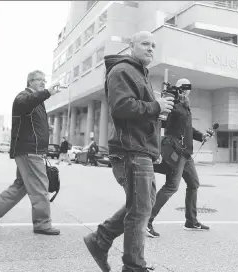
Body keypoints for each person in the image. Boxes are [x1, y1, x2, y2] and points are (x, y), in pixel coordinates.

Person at [82, 31, 174, 272]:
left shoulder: (140, 73)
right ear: (131, 46)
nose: (150, 48)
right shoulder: (123, 70)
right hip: (130, 150)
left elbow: (141, 112)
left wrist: (156, 115)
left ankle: (100, 240)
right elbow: (121, 107)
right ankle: (134, 266)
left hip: (141, 150)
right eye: (145, 43)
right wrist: (156, 106)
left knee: (143, 204)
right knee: (141, 209)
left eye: (153, 45)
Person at [0, 70, 61, 236]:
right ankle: (42, 224)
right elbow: (27, 103)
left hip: (30, 149)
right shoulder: (23, 97)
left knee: (21, 185)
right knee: (39, 186)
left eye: (44, 81)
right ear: (30, 81)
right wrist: (47, 93)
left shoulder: (36, 100)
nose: (43, 83)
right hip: (30, 151)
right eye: (39, 80)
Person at [146, 78, 212, 238]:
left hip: (186, 153)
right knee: (171, 186)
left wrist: (201, 136)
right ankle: (146, 220)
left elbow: (188, 129)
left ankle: (191, 221)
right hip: (176, 151)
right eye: (184, 88)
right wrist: (169, 95)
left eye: (188, 88)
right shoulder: (173, 104)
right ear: (180, 89)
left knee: (193, 183)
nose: (187, 91)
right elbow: (163, 115)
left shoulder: (185, 107)